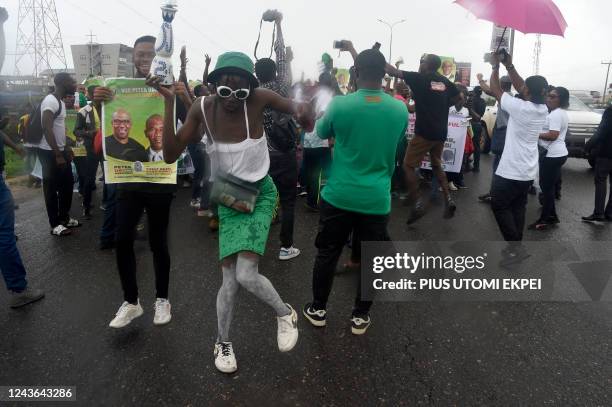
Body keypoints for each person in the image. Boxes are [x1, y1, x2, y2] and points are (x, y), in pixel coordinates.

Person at [149, 51, 308, 374]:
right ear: (214, 85)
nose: (233, 98)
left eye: (241, 91)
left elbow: (301, 113)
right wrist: (168, 102)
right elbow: (168, 155)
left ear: (251, 88)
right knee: (230, 281)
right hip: (230, 196)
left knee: (246, 274)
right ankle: (222, 341)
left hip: (260, 193)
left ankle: (283, 312)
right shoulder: (202, 109)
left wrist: (307, 112)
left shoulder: (260, 99)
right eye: (225, 89)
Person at [302, 45, 408, 336]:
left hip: (340, 195)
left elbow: (321, 133)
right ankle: (360, 316)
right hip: (376, 198)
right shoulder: (399, 109)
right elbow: (398, 143)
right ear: (384, 74)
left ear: (356, 72)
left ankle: (319, 309)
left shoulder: (340, 105)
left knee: (328, 252)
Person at [95, 35, 178, 329]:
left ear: (160, 58)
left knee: (158, 241)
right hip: (128, 182)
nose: (145, 59)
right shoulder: (117, 90)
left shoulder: (172, 85)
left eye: (151, 55)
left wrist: (179, 94)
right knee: (121, 239)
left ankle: (162, 299)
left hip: (160, 181)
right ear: (133, 58)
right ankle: (131, 301)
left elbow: (190, 120)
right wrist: (98, 104)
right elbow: (104, 135)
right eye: (140, 55)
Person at [487, 52, 549, 264]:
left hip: (511, 170)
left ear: (528, 92)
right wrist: (509, 65)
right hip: (528, 170)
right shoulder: (542, 108)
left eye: (524, 88)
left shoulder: (520, 107)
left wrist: (495, 67)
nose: (521, 88)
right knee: (517, 207)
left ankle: (516, 247)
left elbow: (496, 89)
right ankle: (516, 247)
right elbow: (523, 85)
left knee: (499, 204)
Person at [386, 53, 460, 224]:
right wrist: (440, 106)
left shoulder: (419, 79)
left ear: (427, 65)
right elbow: (459, 100)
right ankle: (449, 199)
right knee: (436, 164)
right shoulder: (445, 82)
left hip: (424, 132)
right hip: (441, 132)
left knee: (408, 165)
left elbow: (392, 71)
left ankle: (418, 202)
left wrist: (377, 58)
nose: (421, 64)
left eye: (422, 62)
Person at [255, 10, 301, 261]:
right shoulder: (282, 86)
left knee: (261, 200)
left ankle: (254, 244)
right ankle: (286, 247)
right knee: (288, 201)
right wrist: (280, 24)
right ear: (274, 71)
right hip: (285, 154)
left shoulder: (252, 94)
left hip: (261, 156)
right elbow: (282, 55)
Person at [38, 72, 80, 236]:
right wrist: (57, 154)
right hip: (49, 153)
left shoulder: (60, 103)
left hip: (59, 150)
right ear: (62, 83)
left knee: (67, 185)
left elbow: (59, 129)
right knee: (51, 188)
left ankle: (64, 217)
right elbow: (46, 128)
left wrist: (65, 149)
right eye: (72, 81)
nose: (74, 84)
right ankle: (55, 224)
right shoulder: (50, 101)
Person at [529, 87, 570, 230]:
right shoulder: (559, 113)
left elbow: (553, 135)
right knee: (549, 187)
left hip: (552, 154)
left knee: (546, 189)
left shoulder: (555, 115)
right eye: (548, 96)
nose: (549, 98)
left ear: (561, 99)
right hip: (557, 153)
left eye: (553, 97)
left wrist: (535, 134)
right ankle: (552, 216)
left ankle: (545, 219)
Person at [477, 74, 512, 203]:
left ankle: (495, 194)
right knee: (501, 164)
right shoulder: (512, 97)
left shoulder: (504, 96)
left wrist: (480, 79)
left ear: (501, 85)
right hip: (508, 134)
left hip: (503, 133)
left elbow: (487, 89)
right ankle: (498, 193)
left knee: (498, 165)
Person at [302, 73, 334, 211]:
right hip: (320, 141)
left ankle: (311, 201)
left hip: (309, 140)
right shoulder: (327, 97)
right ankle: (317, 203)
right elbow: (325, 117)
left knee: (311, 173)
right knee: (325, 173)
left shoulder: (314, 96)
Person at [74, 85, 100, 219]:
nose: (98, 96)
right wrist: (91, 133)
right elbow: (76, 131)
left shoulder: (109, 109)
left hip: (108, 148)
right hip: (92, 148)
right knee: (89, 178)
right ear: (89, 95)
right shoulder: (83, 111)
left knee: (111, 178)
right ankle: (87, 206)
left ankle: (110, 204)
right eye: (95, 93)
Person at [583, 106, 612, 222]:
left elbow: (601, 132)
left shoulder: (610, 111)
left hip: (606, 153)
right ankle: (610, 213)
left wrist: (587, 146)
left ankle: (598, 213)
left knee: (600, 180)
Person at [468, 86, 486, 172]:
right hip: (479, 125)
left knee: (468, 145)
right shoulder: (483, 101)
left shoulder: (471, 100)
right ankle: (476, 167)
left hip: (471, 124)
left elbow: (469, 111)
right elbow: (481, 114)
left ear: (474, 92)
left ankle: (466, 163)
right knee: (477, 147)